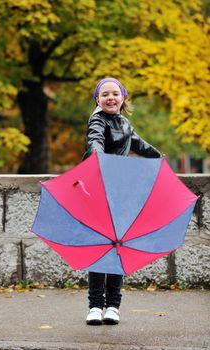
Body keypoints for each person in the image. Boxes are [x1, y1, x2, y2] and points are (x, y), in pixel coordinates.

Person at [83, 77, 161, 325]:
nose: (110, 98)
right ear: (97, 100)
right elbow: (94, 140)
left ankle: (113, 306)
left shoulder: (125, 123)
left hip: (120, 190)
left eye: (115, 93)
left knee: (117, 247)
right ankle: (95, 305)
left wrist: (158, 156)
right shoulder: (97, 120)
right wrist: (99, 157)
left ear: (123, 98)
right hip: (99, 186)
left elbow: (137, 143)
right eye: (104, 94)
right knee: (99, 249)